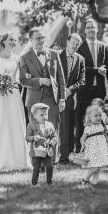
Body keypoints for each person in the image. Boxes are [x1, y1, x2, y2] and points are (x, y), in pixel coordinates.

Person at [0, 33, 32, 171]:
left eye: (15, 40)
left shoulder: (17, 58)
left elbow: (19, 79)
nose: (13, 41)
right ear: (3, 41)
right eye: (10, 39)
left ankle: (18, 158)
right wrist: (1, 83)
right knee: (0, 123)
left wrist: (25, 77)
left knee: (15, 124)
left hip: (14, 94)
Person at [19, 28, 66, 162]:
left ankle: (52, 160)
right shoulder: (24, 57)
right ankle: (36, 159)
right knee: (36, 131)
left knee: (53, 129)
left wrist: (62, 98)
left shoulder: (54, 54)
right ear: (31, 40)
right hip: (34, 100)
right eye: (38, 38)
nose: (41, 40)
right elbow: (23, 81)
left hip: (52, 99)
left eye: (42, 38)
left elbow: (61, 78)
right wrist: (39, 81)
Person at [77, 18, 108, 153]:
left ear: (97, 29)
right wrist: (96, 69)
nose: (91, 30)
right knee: (84, 119)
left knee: (99, 120)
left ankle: (99, 149)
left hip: (99, 91)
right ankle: (81, 149)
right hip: (84, 89)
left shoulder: (104, 47)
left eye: (93, 27)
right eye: (88, 27)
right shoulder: (80, 47)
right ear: (84, 30)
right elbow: (80, 69)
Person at [59, 33, 85, 164]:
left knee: (69, 127)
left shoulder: (80, 59)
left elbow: (82, 80)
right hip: (57, 96)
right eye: (73, 42)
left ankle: (68, 154)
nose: (75, 45)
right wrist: (61, 90)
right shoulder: (57, 55)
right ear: (67, 41)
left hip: (71, 97)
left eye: (77, 44)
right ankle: (62, 157)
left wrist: (70, 90)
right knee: (62, 127)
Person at [26, 103, 58, 185]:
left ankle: (49, 182)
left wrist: (51, 143)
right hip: (36, 151)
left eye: (46, 114)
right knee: (36, 167)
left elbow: (55, 137)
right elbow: (27, 137)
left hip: (46, 151)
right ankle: (34, 182)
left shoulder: (50, 125)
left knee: (49, 166)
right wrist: (33, 138)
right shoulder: (31, 125)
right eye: (41, 115)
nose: (44, 116)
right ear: (35, 116)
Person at [80, 105, 108, 185]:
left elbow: (103, 135)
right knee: (94, 167)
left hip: (100, 149)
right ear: (90, 117)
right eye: (96, 116)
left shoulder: (101, 126)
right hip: (92, 150)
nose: (98, 117)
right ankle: (85, 179)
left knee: (98, 168)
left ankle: (94, 183)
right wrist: (83, 145)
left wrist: (107, 142)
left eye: (100, 115)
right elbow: (82, 138)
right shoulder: (89, 127)